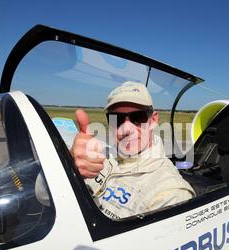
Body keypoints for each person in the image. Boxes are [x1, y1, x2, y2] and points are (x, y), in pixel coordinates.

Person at [71, 81, 195, 220]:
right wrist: (69, 170)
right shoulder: (96, 156)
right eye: (117, 119)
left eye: (138, 118)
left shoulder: (170, 192)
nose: (126, 129)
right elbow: (45, 198)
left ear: (153, 120)